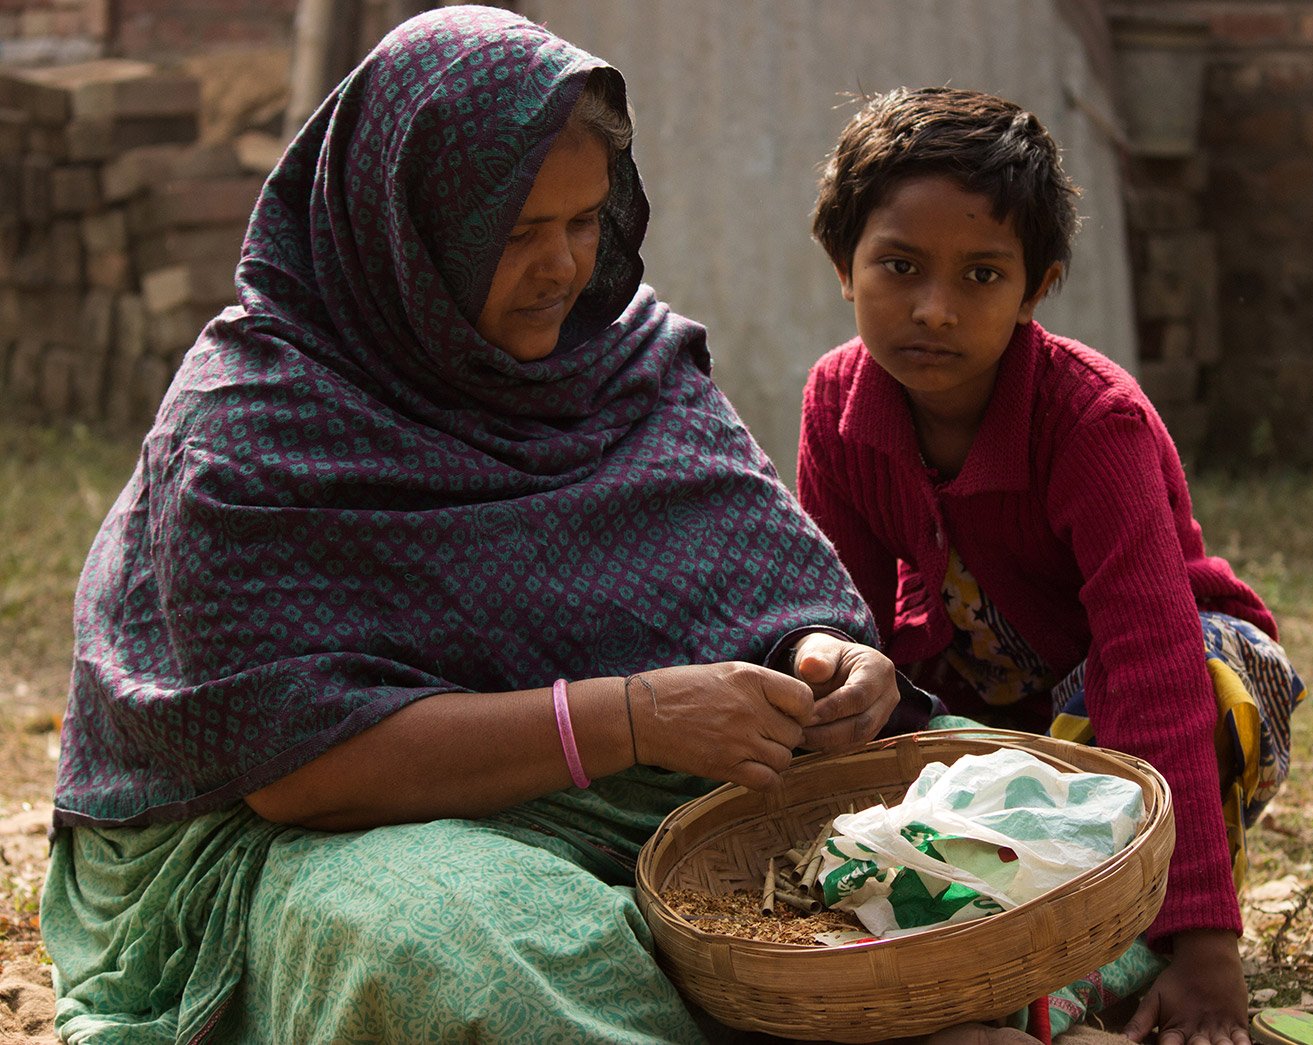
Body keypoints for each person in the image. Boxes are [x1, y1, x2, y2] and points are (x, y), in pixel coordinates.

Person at [38, 9, 952, 1042]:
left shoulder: (621, 359)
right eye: (517, 233)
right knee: (473, 960)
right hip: (325, 830)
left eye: (583, 221)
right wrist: (633, 718)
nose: (564, 266)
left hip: (641, 778)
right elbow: (301, 772)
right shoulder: (252, 425)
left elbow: (748, 569)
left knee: (983, 805)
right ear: (404, 224)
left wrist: (825, 656)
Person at [798, 87, 1306, 1045]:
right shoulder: (836, 403)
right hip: (996, 699)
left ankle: (1157, 921)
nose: (935, 309)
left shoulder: (1090, 422)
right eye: (899, 266)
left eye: (982, 275)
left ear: (1036, 289)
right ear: (843, 264)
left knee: (1196, 675)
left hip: (1163, 684)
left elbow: (1151, 664)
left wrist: (1207, 947)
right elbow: (845, 616)